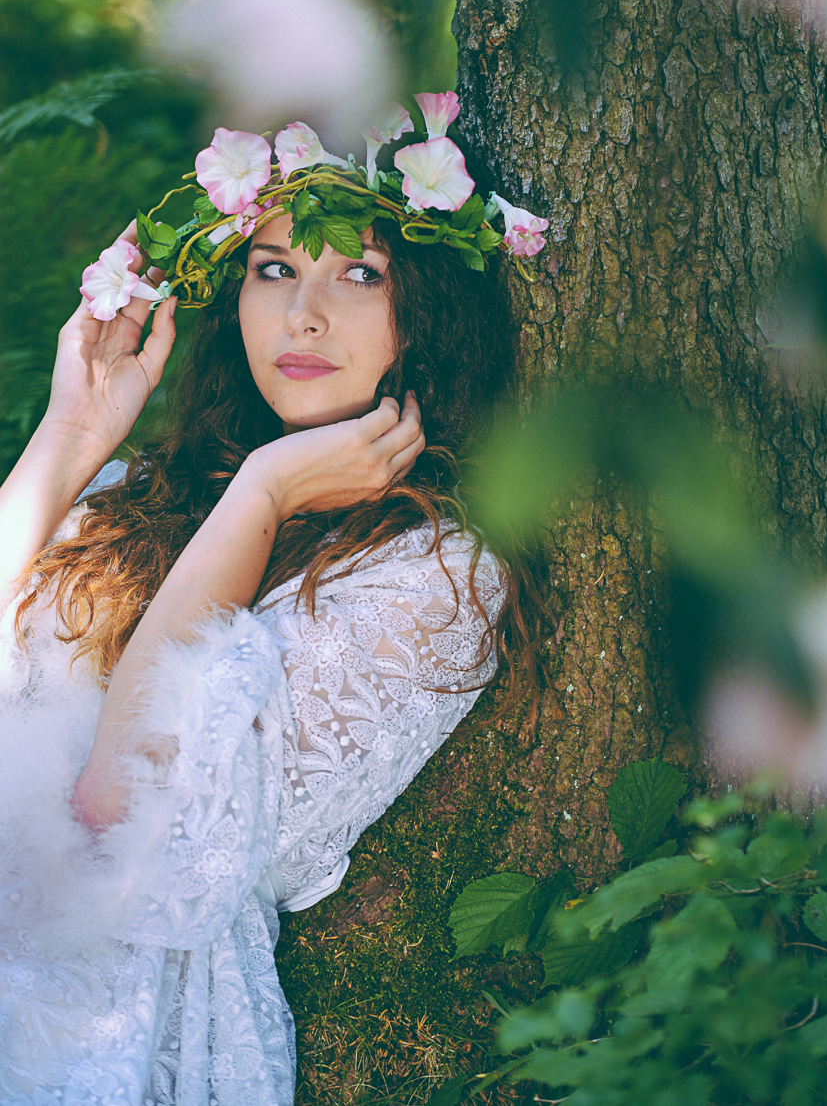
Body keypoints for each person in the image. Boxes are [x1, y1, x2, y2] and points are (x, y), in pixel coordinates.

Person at [0, 100, 548, 1105]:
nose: (304, 315)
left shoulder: (435, 577)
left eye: (360, 275)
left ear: (429, 314)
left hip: (83, 1021)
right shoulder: (140, 496)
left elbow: (122, 813)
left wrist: (266, 494)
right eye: (274, 270)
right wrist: (73, 432)